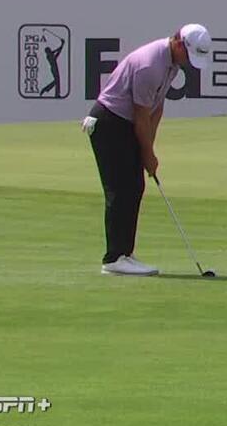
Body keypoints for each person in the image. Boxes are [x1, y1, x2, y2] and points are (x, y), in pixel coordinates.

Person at [83, 24, 214, 276]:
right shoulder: (150, 65)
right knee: (121, 189)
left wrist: (149, 150)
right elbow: (141, 116)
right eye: (189, 55)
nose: (189, 62)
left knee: (134, 187)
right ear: (178, 42)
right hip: (110, 123)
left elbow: (157, 108)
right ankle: (114, 259)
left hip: (126, 124)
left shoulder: (172, 64)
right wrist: (147, 154)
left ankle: (124, 254)